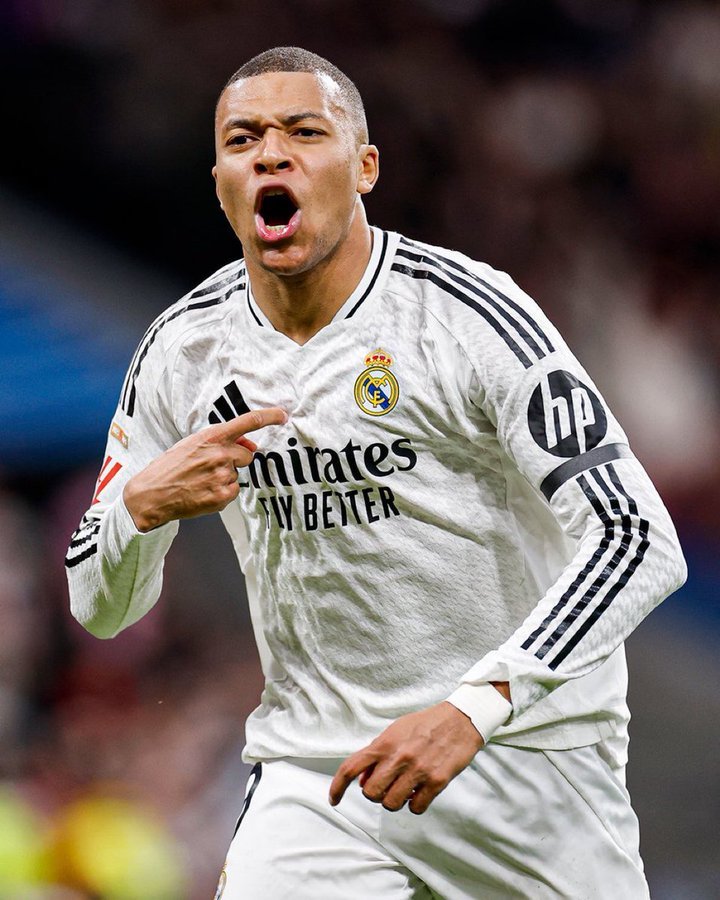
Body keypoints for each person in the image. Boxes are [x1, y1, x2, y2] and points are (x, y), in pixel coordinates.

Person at [65, 47, 686, 899]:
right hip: (320, 777)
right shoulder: (184, 351)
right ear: (220, 183)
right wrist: (139, 509)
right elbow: (100, 610)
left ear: (365, 168)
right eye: (244, 139)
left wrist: (476, 705)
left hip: (525, 760)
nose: (271, 155)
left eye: (303, 132)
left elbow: (638, 538)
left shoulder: (468, 315)